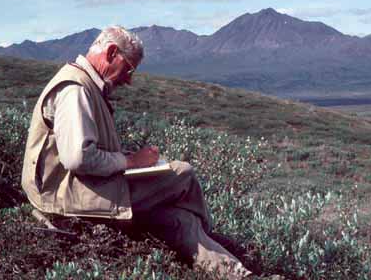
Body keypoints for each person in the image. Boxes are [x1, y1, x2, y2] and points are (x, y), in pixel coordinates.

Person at [21, 26, 252, 279]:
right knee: (183, 173)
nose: (129, 79)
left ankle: (238, 274)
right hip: (66, 197)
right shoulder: (76, 90)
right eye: (129, 68)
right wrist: (131, 162)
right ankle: (210, 232)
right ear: (111, 53)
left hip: (80, 189)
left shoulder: (87, 85)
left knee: (179, 219)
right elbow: (78, 157)